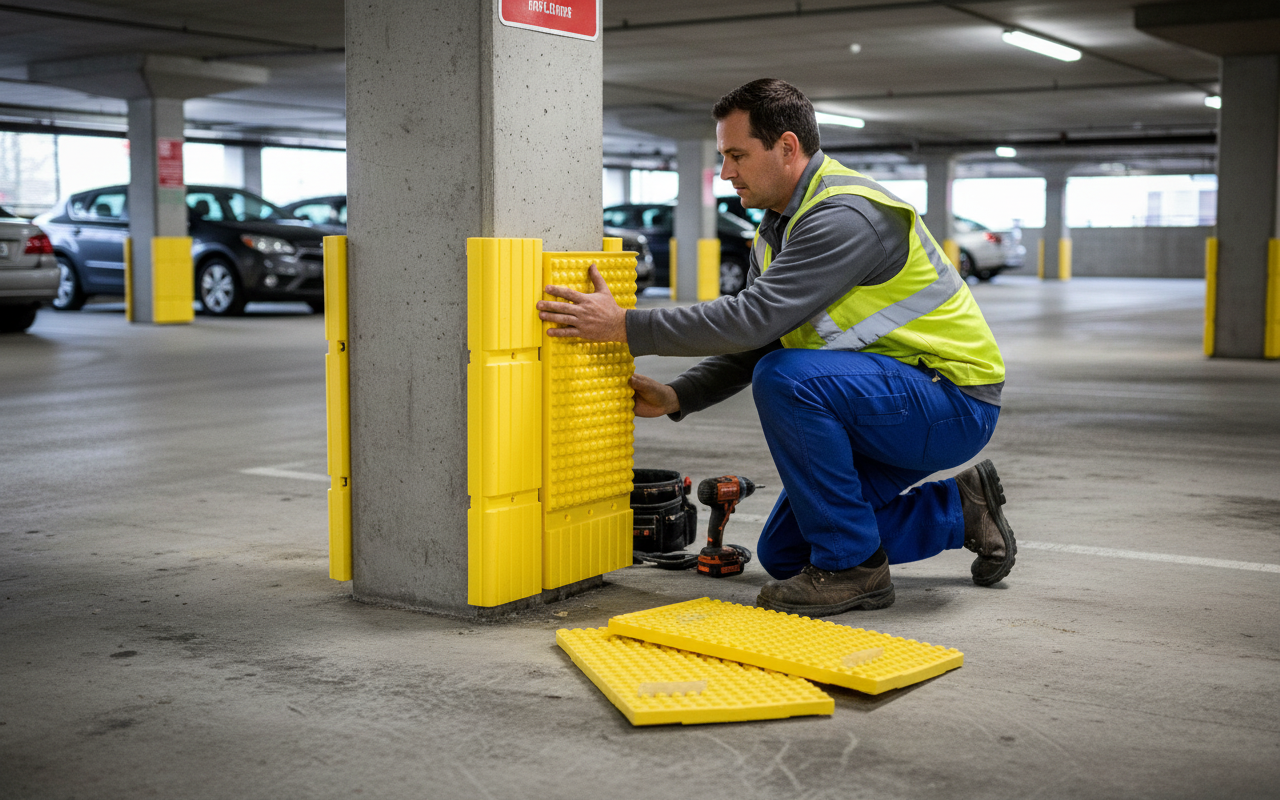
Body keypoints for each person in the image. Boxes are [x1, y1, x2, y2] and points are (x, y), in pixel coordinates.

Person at [536, 78, 1016, 616]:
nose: (725, 172)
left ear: (788, 148)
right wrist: (678, 396)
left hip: (950, 400)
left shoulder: (845, 216)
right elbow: (764, 333)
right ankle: (962, 510)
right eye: (723, 156)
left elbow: (750, 321)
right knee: (786, 551)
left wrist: (625, 325)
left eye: (737, 155)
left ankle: (854, 572)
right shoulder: (778, 228)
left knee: (787, 378)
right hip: (885, 403)